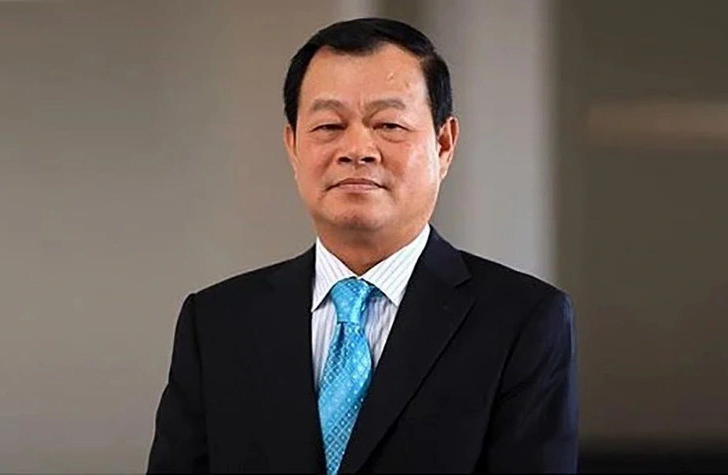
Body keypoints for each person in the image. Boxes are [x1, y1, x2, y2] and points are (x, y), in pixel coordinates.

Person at [147, 17, 578, 474]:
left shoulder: (523, 320)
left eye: (389, 124)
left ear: (444, 144)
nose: (357, 149)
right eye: (329, 126)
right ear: (292, 145)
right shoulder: (217, 322)